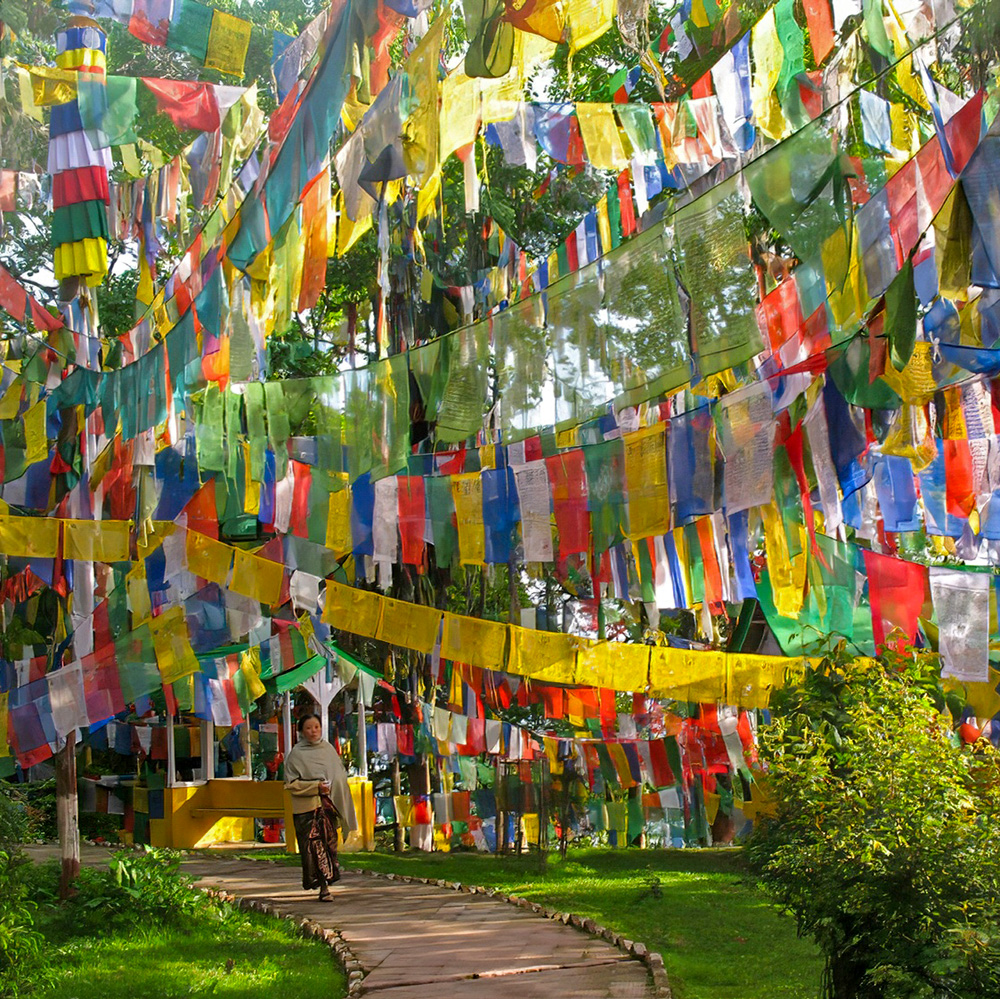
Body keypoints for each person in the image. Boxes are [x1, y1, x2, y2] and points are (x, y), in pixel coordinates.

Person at [283, 713, 357, 901]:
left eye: (316, 727)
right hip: (307, 810)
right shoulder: (296, 755)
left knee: (329, 846)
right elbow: (291, 784)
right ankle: (323, 888)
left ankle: (329, 880)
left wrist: (333, 789)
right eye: (308, 728)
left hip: (327, 807)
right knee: (314, 849)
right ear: (301, 731)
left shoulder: (328, 750)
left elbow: (339, 775)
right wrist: (315, 787)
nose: (313, 731)